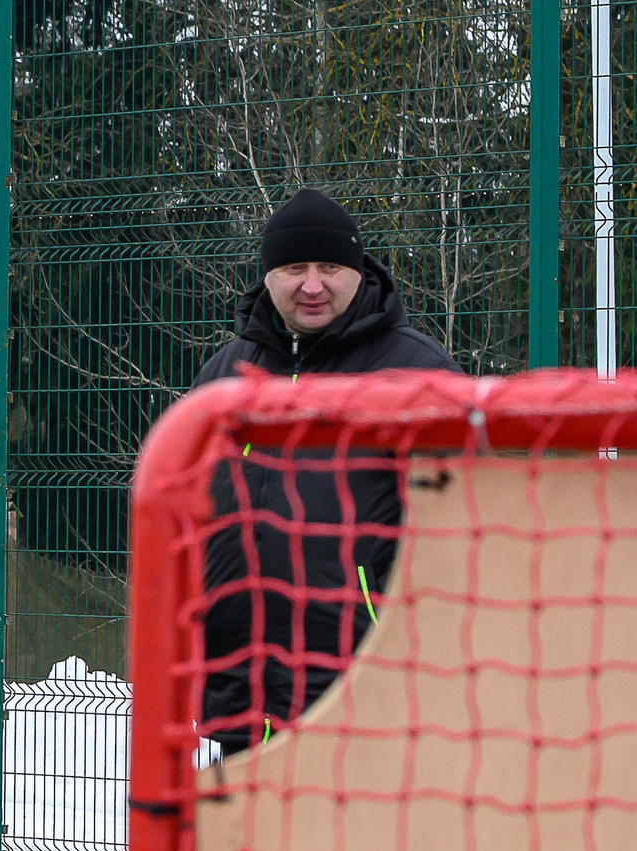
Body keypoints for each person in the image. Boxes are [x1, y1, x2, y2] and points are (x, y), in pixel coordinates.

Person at [190, 189, 461, 751]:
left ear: (358, 272)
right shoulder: (224, 376)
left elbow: (466, 534)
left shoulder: (418, 375)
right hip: (241, 694)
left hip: (371, 702)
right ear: (268, 276)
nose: (312, 286)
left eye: (330, 268)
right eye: (294, 268)